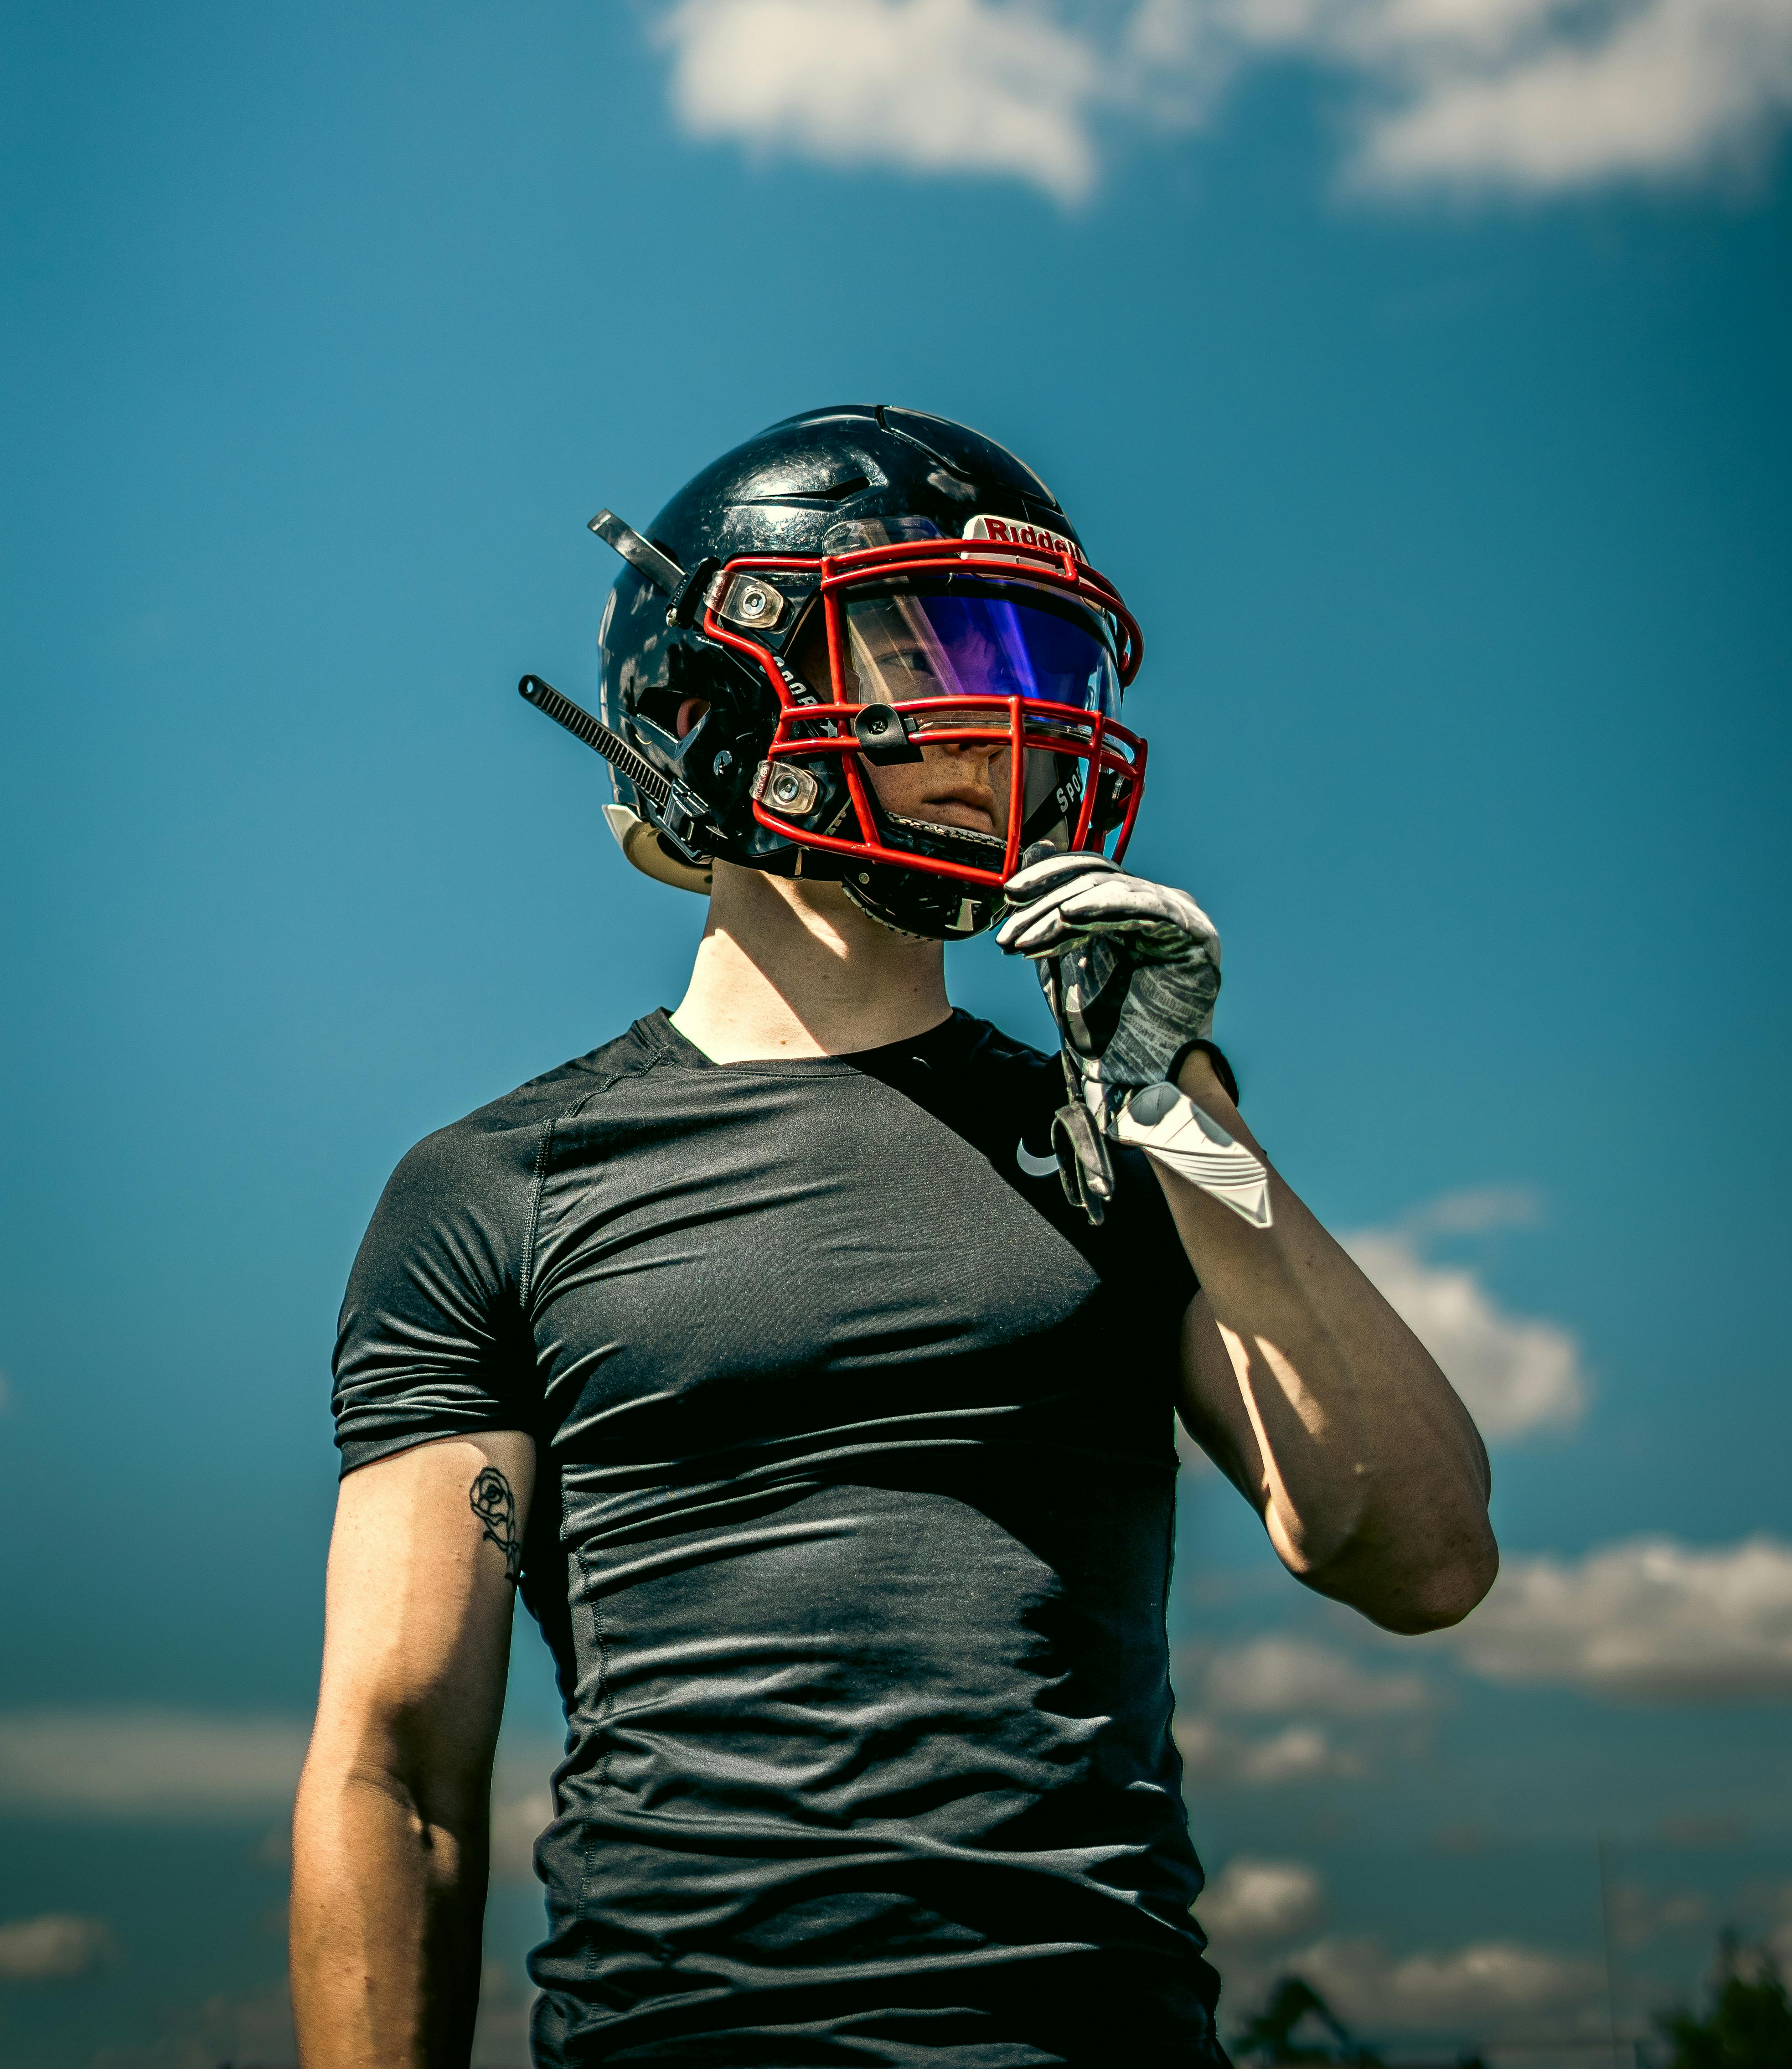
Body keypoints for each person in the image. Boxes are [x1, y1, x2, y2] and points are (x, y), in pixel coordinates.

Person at [290, 403, 1497, 2069]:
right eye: (939, 643)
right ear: (723, 693)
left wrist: (1188, 1120)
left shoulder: (1126, 1141)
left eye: (1044, 663)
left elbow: (1419, 1555)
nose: (1013, 725)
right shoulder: (497, 1185)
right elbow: (400, 1768)